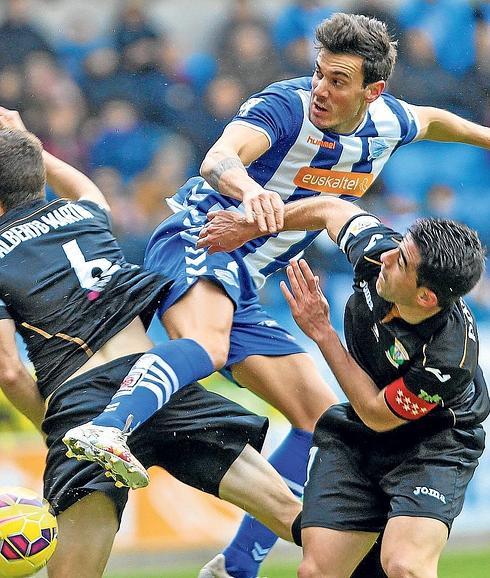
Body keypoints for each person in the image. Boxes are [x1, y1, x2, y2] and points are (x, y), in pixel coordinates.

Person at [66, 12, 490, 578]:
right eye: (318, 73)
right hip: (205, 236)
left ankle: (235, 568)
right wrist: (246, 193)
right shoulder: (285, 106)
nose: (321, 88)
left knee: (322, 419)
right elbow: (218, 158)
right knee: (209, 346)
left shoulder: (389, 121)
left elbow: (438, 121)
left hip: (249, 282)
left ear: (374, 91)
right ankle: (106, 428)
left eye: (338, 80)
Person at [0, 107, 302, 578]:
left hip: (81, 404)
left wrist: (52, 425)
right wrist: (27, 140)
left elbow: (9, 370)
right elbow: (81, 186)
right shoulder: (85, 213)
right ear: (37, 180)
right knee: (295, 517)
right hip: (155, 382)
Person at [197, 194, 489, 577]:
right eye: (397, 247)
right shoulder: (378, 255)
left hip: (434, 445)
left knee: (404, 567)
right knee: (316, 572)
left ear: (425, 297)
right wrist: (251, 227)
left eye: (400, 261)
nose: (385, 257)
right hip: (358, 433)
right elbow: (331, 209)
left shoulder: (447, 360)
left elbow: (377, 413)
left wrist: (322, 333)